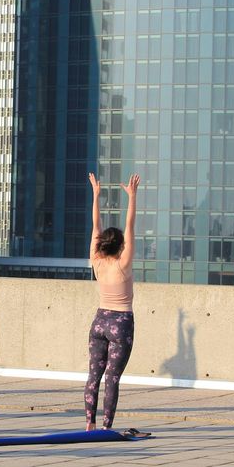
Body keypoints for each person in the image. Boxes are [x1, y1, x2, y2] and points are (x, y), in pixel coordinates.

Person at [83, 172, 143, 434]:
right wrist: (132, 197)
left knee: (93, 376)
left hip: (99, 321)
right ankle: (107, 426)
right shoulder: (123, 265)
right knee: (113, 378)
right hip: (121, 321)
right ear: (120, 246)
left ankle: (89, 422)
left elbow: (95, 228)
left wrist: (96, 195)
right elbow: (130, 228)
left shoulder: (97, 261)